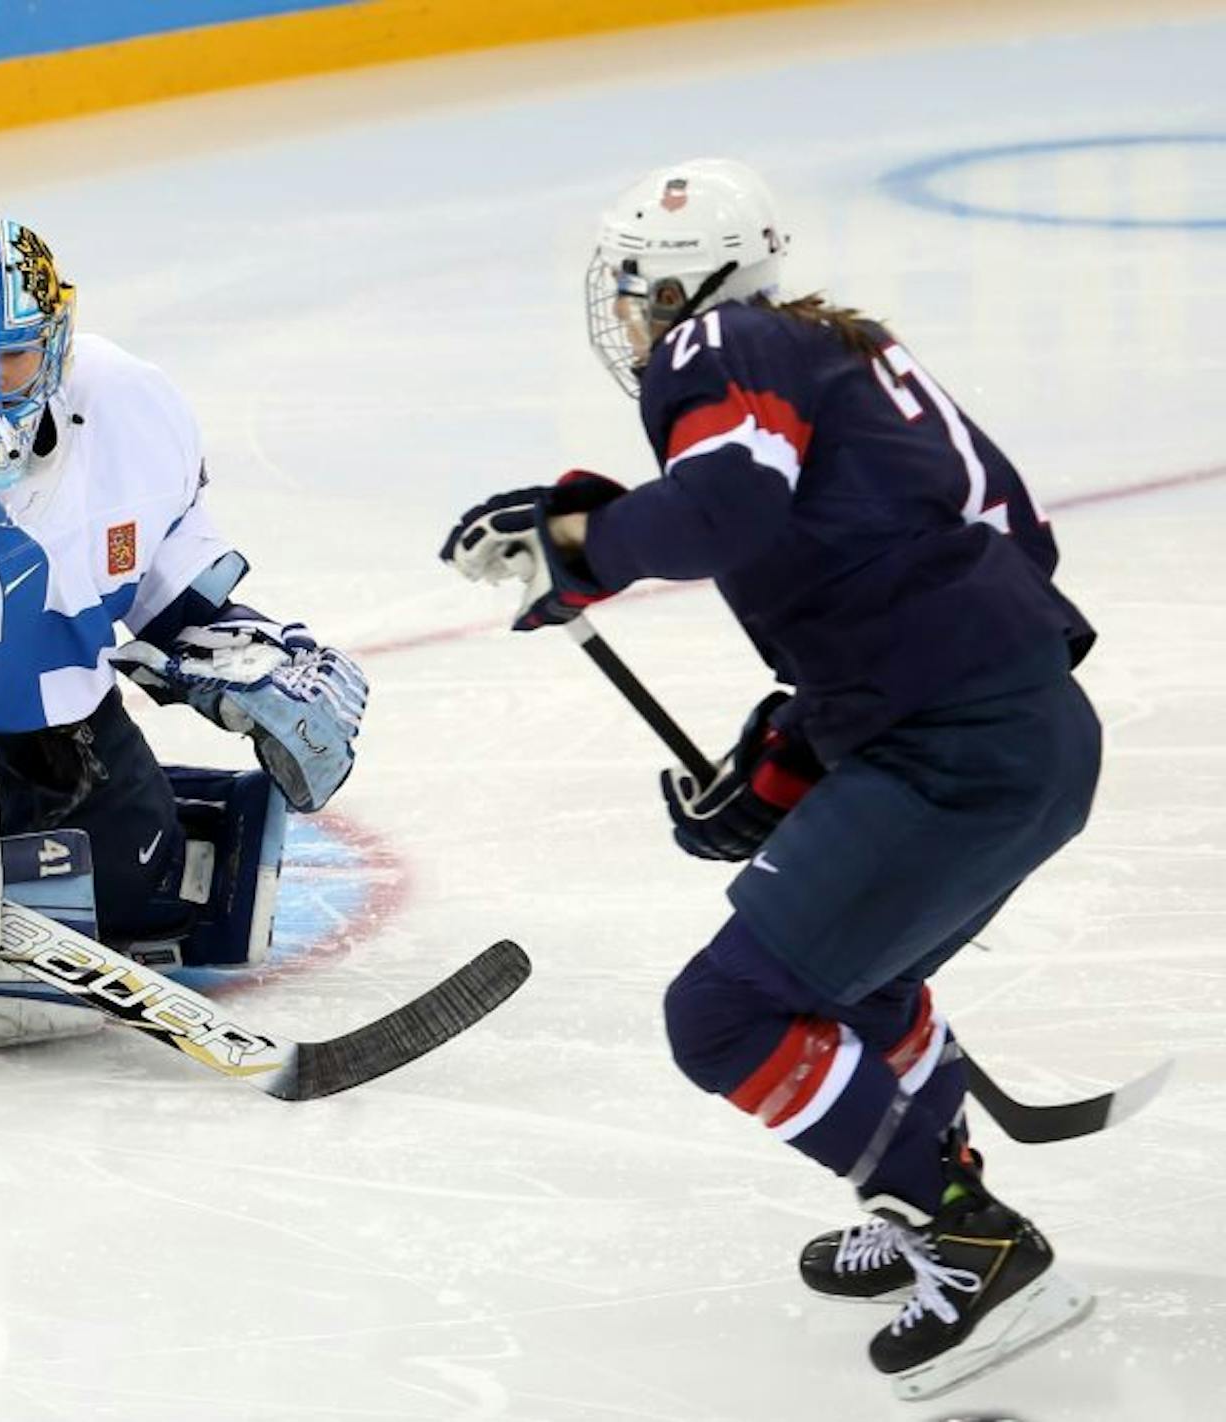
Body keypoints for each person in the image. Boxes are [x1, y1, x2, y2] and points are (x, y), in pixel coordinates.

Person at [439, 159, 1099, 1397]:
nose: (634, 322)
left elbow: (723, 509)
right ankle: (928, 1202)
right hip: (1019, 729)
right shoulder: (838, 359)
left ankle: (976, 1244)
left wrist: (575, 544)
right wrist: (803, 749)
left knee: (727, 1014)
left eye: (639, 291)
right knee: (857, 978)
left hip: (958, 747)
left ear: (688, 283)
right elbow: (996, 549)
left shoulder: (722, 340)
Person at [0, 215, 368, 954]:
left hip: (52, 725)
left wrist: (246, 654)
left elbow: (167, 573)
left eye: (15, 355)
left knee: (145, 907)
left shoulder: (133, 407)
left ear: (56, 337)